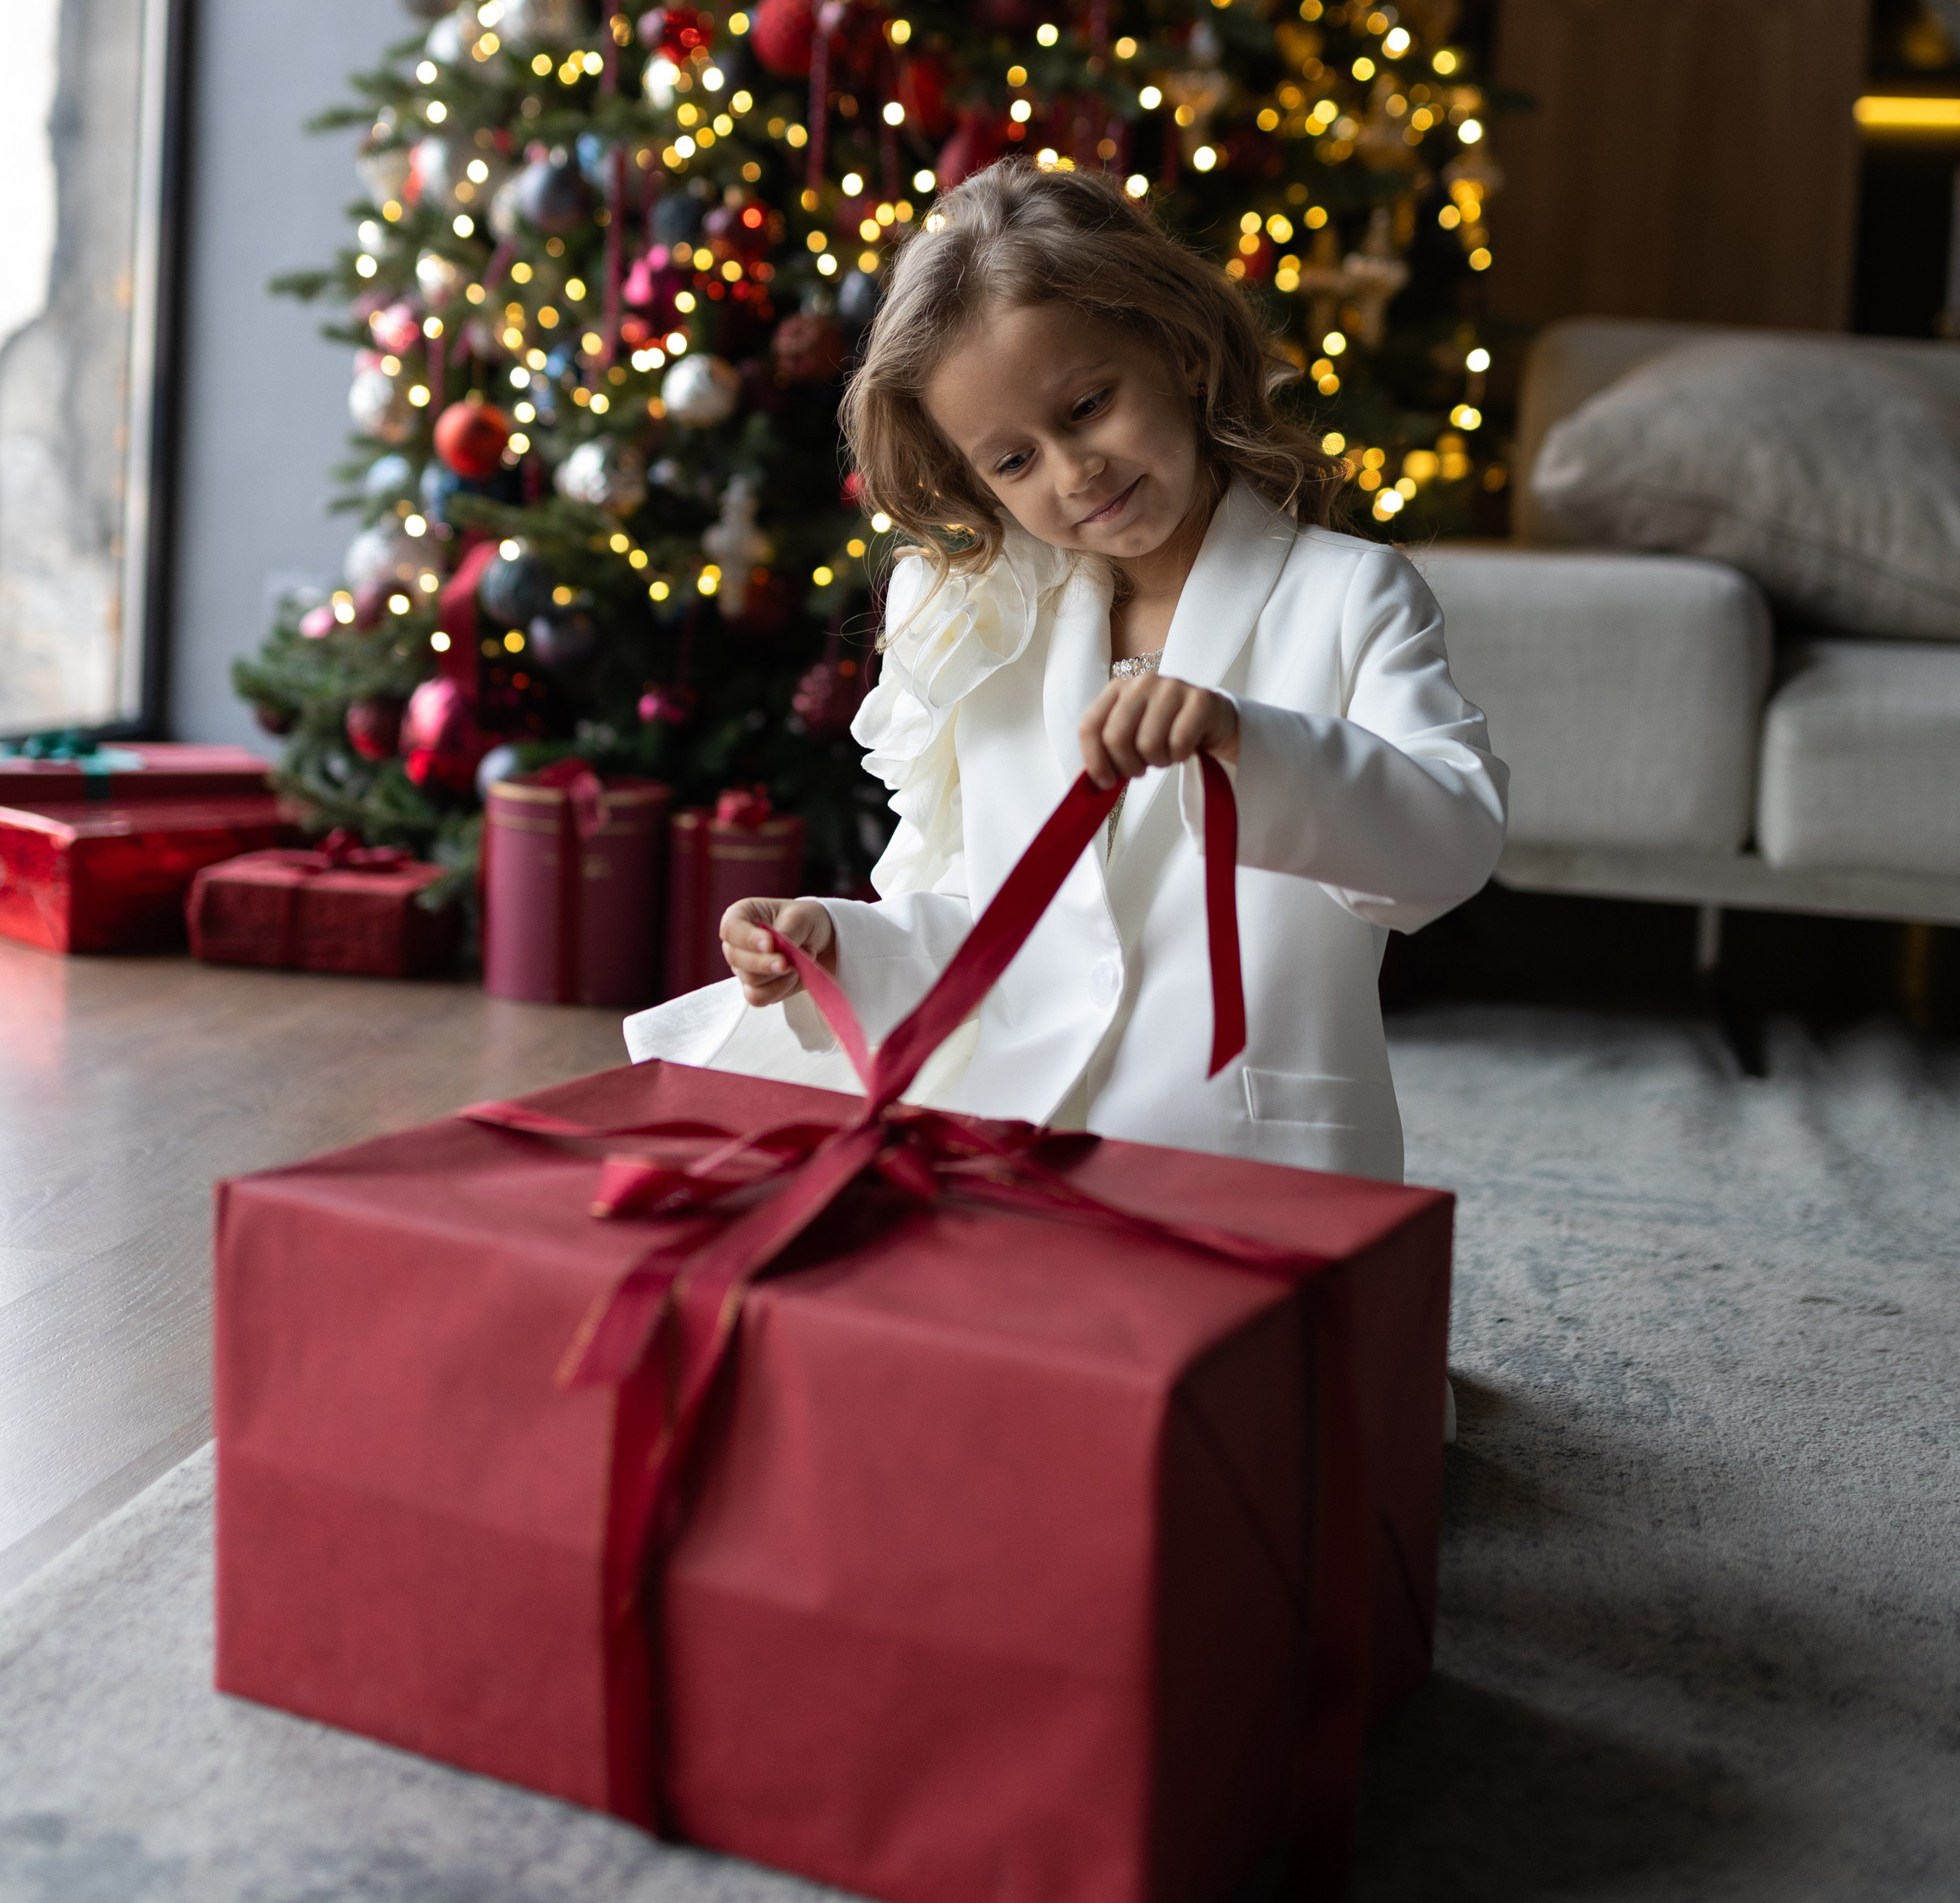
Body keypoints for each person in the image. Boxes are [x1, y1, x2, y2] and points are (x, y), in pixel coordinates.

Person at [625, 161, 1507, 1182]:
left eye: (1088, 403)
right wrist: (839, 943)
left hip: (1251, 1168)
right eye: (1012, 461)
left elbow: (1449, 839)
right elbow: (989, 916)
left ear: (1176, 348)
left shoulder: (1351, 596)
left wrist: (1245, 740)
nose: (1071, 471)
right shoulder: (1001, 633)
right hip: (1022, 1160)